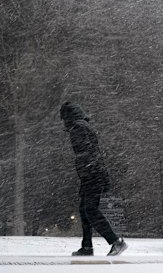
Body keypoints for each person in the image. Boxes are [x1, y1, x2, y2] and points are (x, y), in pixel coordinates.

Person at [60, 102, 127, 256]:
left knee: (90, 210)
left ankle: (116, 242)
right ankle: (87, 247)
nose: (64, 122)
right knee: (84, 210)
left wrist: (88, 170)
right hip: (92, 174)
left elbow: (85, 152)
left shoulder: (78, 128)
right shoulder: (83, 126)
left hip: (92, 175)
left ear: (68, 117)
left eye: (64, 118)